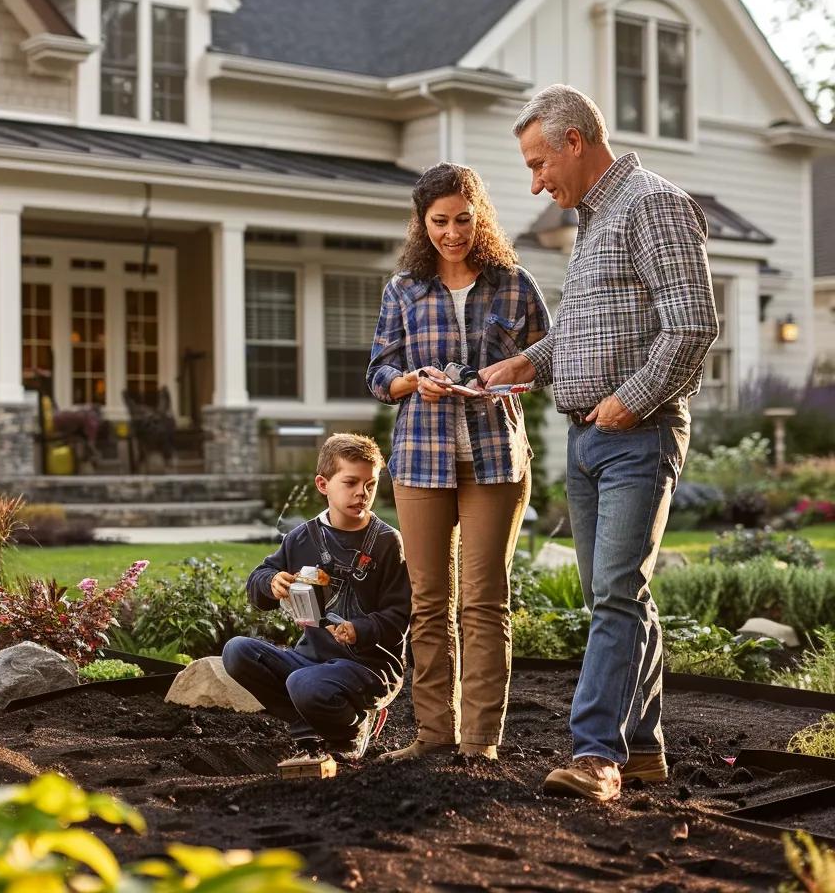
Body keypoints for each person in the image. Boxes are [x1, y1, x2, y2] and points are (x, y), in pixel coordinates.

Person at [481, 84, 718, 802]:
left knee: (616, 594)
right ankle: (641, 749)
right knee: (616, 595)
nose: (535, 180)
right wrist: (531, 362)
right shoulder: (594, 221)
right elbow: (592, 330)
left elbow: (694, 323)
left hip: (637, 436)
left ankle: (595, 757)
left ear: (575, 142)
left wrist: (631, 400)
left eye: (538, 161)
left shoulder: (652, 204)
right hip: (587, 439)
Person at [366, 163, 551, 761]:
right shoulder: (403, 289)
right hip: (421, 460)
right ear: (423, 224)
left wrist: (513, 376)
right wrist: (412, 382)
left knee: (483, 601)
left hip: (496, 460)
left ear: (480, 217)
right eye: (440, 222)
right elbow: (378, 373)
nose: (453, 233)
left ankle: (479, 744)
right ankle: (431, 736)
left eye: (463, 220)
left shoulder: (515, 285)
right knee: (427, 602)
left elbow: (548, 357)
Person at [222, 433, 411, 767]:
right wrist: (271, 582)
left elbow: (400, 614)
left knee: (304, 684)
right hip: (311, 659)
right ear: (323, 484)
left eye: (370, 484)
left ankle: (352, 731)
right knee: (237, 651)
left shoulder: (386, 542)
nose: (361, 493)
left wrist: (361, 629)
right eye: (350, 482)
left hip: (369, 668)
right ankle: (308, 728)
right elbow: (258, 580)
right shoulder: (302, 538)